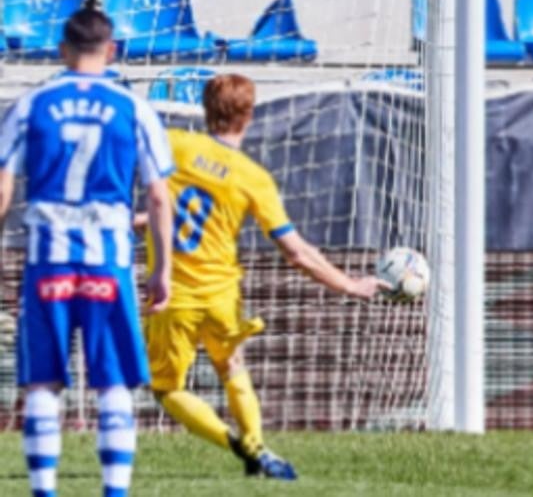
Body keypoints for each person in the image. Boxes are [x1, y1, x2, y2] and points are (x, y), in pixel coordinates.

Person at [139, 73, 387, 480]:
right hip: (221, 295)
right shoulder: (252, 177)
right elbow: (297, 252)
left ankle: (238, 445)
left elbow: (166, 206)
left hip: (175, 294)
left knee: (168, 390)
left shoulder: (175, 144)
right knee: (232, 365)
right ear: (249, 116)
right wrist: (349, 284)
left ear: (205, 108)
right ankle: (256, 445)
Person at [0, 0, 175, 497]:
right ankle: (114, 492)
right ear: (112, 49)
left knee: (43, 381)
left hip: (48, 261)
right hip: (108, 262)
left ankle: (43, 491)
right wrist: (160, 267)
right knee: (113, 381)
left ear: (61, 50)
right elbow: (160, 197)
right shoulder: (134, 108)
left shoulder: (32, 105)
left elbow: (3, 184)